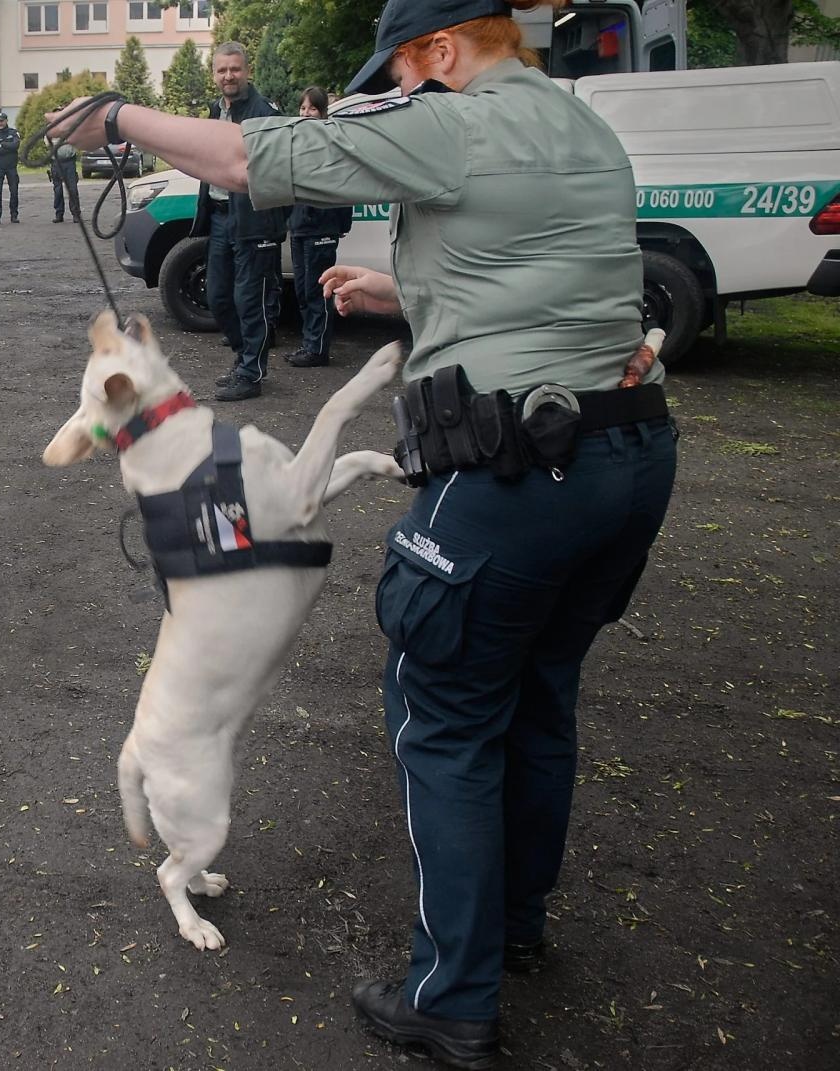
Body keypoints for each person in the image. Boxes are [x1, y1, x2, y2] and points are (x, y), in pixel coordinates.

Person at [55, 0, 676, 1066]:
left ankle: (452, 997)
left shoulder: (459, 112)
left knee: (443, 724)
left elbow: (258, 154)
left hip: (515, 477)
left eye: (404, 70)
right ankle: (514, 925)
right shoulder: (578, 124)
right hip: (624, 462)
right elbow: (548, 275)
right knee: (537, 697)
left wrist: (116, 114)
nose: (397, 92)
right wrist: (406, 289)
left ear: (444, 49)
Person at [187, 42, 287, 402]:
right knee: (217, 296)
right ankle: (244, 359)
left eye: (235, 69)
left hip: (253, 221)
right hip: (219, 217)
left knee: (250, 299)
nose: (229, 75)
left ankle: (251, 372)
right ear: (214, 74)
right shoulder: (216, 110)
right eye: (222, 70)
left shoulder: (264, 112)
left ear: (247, 71)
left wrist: (276, 223)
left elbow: (280, 169)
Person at [284, 87, 353, 368]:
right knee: (302, 290)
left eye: (312, 109)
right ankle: (308, 343)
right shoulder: (296, 146)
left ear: (323, 113)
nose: (306, 114)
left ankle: (318, 349)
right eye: (302, 108)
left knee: (317, 291)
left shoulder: (332, 146)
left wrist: (339, 226)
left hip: (321, 228)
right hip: (299, 227)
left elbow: (344, 190)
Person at [0, 113, 21, 224]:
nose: (0, 123)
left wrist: (3, 144)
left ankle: (14, 215)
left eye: (2, 121)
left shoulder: (13, 132)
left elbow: (16, 145)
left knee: (14, 192)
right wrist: (8, 146)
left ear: (6, 121)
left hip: (11, 167)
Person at [47, 138, 81, 224]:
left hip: (69, 162)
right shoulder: (50, 130)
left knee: (72, 189)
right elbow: (48, 144)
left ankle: (76, 214)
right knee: (58, 190)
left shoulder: (69, 127)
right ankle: (59, 214)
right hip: (56, 162)